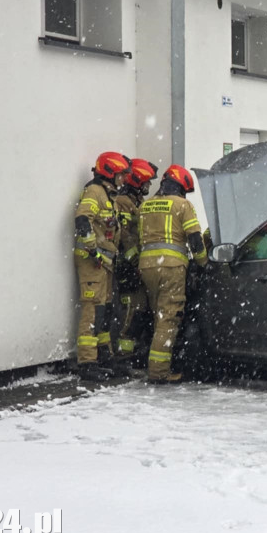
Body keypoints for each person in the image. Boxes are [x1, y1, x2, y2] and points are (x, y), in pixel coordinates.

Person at [138, 165, 207, 384]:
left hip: (146, 266)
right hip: (172, 267)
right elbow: (195, 240)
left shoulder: (145, 205)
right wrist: (203, 263)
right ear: (181, 187)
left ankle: (152, 364)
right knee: (168, 318)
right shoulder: (182, 205)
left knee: (157, 315)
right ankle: (158, 372)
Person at [73, 151, 130, 381]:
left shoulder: (109, 195)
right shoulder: (95, 192)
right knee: (92, 309)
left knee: (104, 310)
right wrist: (91, 247)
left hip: (104, 263)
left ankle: (104, 356)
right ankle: (87, 362)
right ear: (109, 172)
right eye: (120, 174)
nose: (123, 179)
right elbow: (82, 218)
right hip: (92, 261)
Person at [113, 158, 158, 373]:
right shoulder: (123, 201)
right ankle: (123, 357)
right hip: (128, 265)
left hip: (138, 264)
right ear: (137, 181)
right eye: (146, 182)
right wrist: (134, 260)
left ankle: (135, 353)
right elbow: (125, 236)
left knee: (140, 311)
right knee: (131, 312)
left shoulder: (136, 201)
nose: (148, 186)